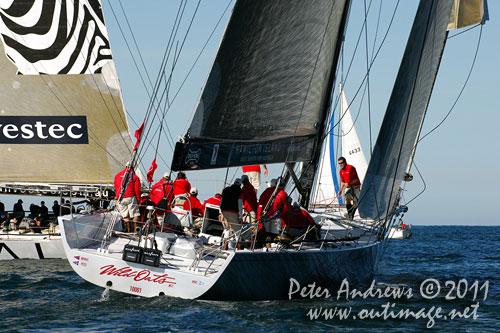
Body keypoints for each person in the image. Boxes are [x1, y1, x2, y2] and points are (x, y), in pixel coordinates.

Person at [114, 163, 142, 233]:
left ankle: (127, 230)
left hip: (120, 198)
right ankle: (136, 231)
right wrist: (138, 200)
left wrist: (117, 197)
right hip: (130, 197)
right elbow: (137, 190)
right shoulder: (134, 177)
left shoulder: (117, 176)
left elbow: (116, 187)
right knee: (135, 214)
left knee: (125, 215)